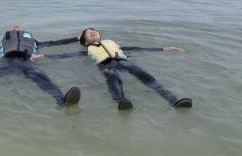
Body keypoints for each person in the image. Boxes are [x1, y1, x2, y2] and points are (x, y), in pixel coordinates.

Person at [56, 27, 192, 110]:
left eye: (94, 30)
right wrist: (45, 57)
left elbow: (137, 48)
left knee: (145, 75)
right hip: (106, 65)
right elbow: (69, 55)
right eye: (88, 32)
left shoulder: (111, 43)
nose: (92, 31)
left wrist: (164, 49)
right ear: (85, 42)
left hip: (123, 61)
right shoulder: (89, 49)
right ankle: (122, 101)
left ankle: (173, 100)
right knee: (112, 77)